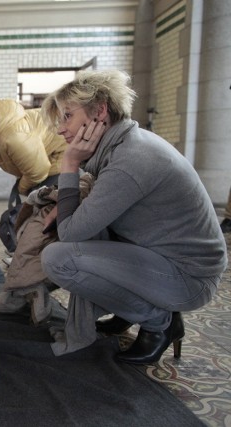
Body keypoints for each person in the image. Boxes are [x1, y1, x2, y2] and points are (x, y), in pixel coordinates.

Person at [38, 69, 227, 364]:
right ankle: (128, 313)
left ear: (100, 111)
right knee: (85, 240)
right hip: (164, 261)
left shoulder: (131, 159)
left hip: (188, 278)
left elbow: (71, 232)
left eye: (67, 116)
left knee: (59, 258)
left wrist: (70, 163)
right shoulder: (126, 145)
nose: (61, 130)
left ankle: (159, 323)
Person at [0, 99, 67, 314]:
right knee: (15, 224)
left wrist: (23, 188)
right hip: (47, 168)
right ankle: (26, 280)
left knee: (32, 230)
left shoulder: (13, 136)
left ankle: (28, 286)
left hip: (57, 167)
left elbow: (37, 171)